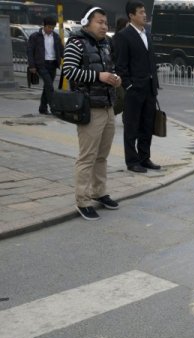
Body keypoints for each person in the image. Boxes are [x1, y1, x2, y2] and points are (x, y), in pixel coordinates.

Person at [62, 6, 121, 221]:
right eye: (100, 22)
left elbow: (109, 71)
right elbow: (68, 70)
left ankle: (99, 192)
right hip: (89, 109)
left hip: (107, 107)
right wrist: (99, 76)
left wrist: (115, 78)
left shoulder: (105, 44)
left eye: (106, 23)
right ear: (87, 22)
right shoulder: (76, 43)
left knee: (102, 156)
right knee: (87, 157)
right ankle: (83, 200)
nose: (104, 26)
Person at [114, 0, 160, 173]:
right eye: (140, 12)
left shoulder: (147, 34)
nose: (144, 14)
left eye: (144, 12)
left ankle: (144, 157)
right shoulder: (123, 36)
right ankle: (132, 161)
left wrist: (154, 83)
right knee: (132, 126)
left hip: (149, 88)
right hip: (134, 90)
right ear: (131, 15)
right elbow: (121, 66)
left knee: (147, 125)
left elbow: (151, 60)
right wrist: (129, 85)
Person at [27, 16, 64, 115]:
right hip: (41, 65)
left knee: (47, 87)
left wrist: (68, 59)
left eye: (52, 28)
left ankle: (42, 108)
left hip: (53, 64)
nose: (50, 30)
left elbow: (61, 50)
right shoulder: (35, 36)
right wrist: (32, 66)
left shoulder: (56, 37)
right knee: (49, 86)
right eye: (49, 27)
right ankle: (54, 108)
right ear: (44, 25)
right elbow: (30, 51)